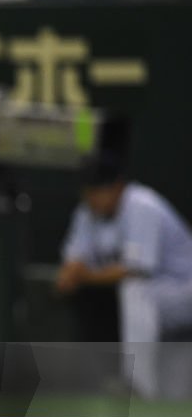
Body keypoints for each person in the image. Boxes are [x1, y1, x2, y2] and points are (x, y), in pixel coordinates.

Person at [56, 148, 192, 396]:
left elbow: (136, 270)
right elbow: (73, 260)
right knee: (176, 396)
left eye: (97, 191)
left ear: (117, 186)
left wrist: (86, 276)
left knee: (135, 291)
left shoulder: (142, 205)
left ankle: (137, 386)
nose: (91, 198)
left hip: (184, 289)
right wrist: (73, 272)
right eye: (87, 191)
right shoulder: (87, 212)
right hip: (161, 299)